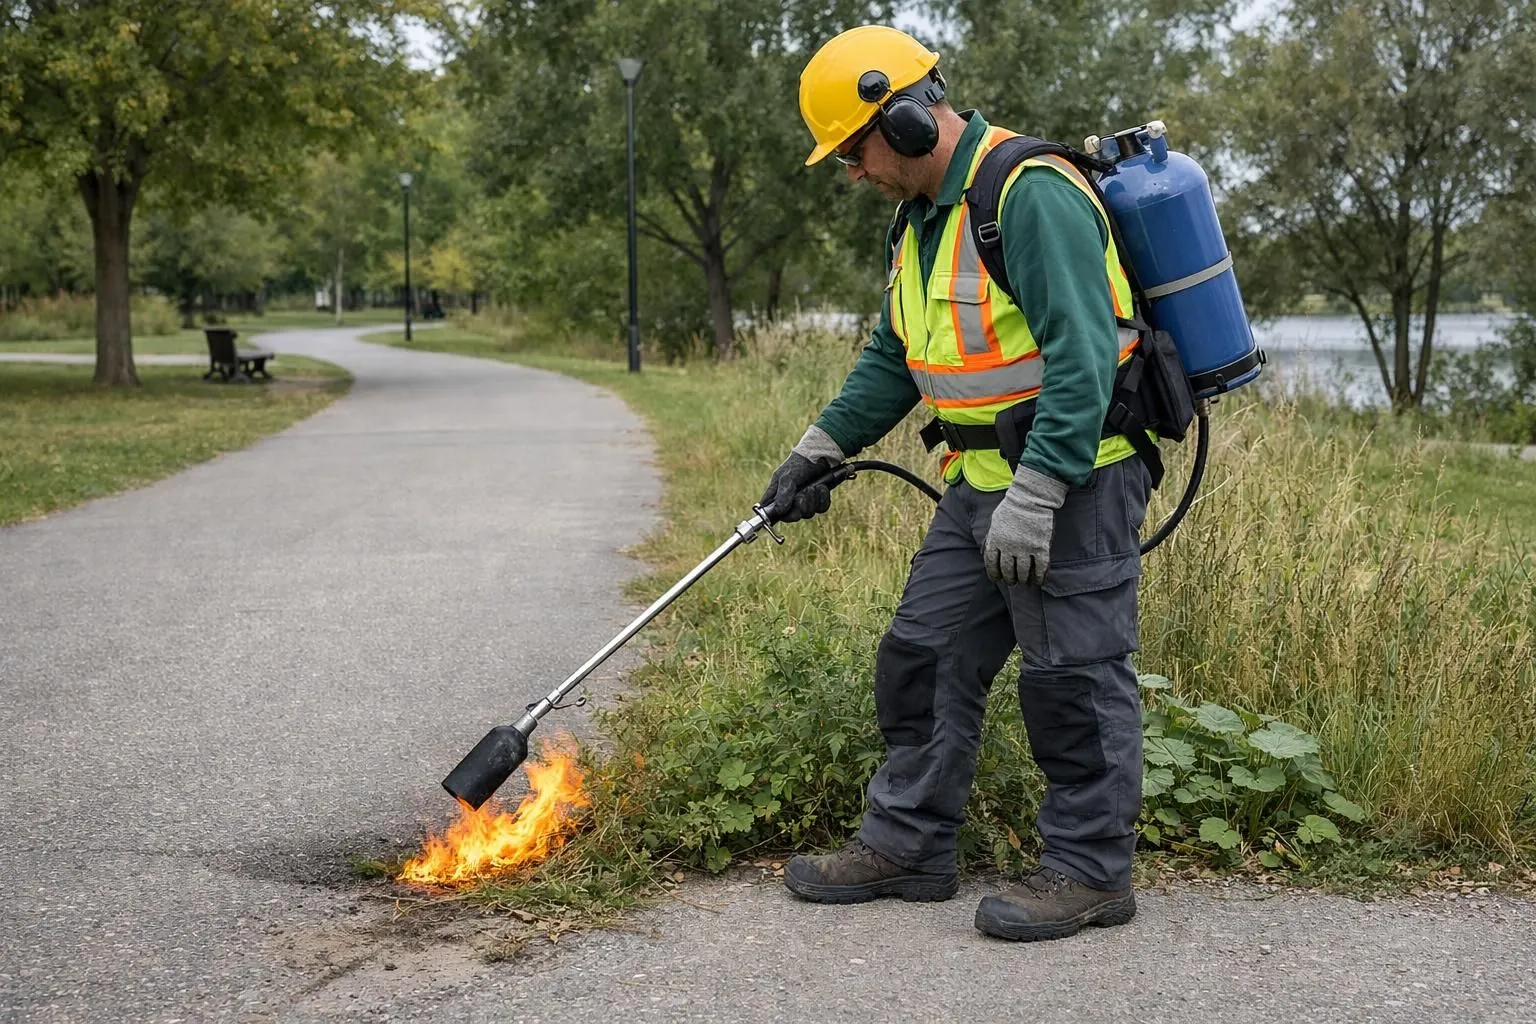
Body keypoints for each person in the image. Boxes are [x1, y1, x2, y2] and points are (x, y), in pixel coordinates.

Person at [761, 24, 1153, 943]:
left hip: (1076, 483)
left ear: (901, 118)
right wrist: (819, 448)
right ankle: (908, 845)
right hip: (978, 483)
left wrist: (1041, 491)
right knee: (922, 655)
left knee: (1073, 679)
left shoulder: (1031, 195)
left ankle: (1092, 873)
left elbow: (1086, 357)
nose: (852, 174)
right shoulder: (922, 220)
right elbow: (897, 354)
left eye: (852, 153)